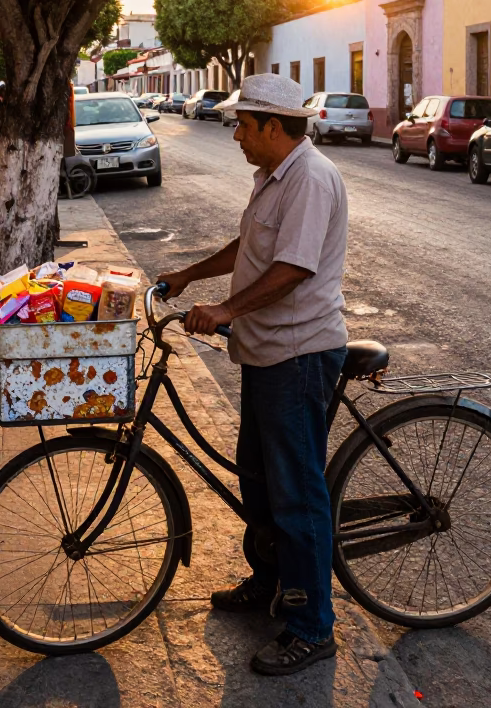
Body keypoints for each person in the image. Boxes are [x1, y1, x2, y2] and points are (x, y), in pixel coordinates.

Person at [158, 74, 348, 677]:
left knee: (297, 494)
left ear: (273, 126)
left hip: (298, 355)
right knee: (260, 485)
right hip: (265, 354)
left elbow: (293, 267)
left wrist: (226, 310)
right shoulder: (272, 177)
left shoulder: (311, 179)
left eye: (243, 124)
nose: (235, 133)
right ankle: (271, 582)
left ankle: (314, 627)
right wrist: (191, 276)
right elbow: (249, 248)